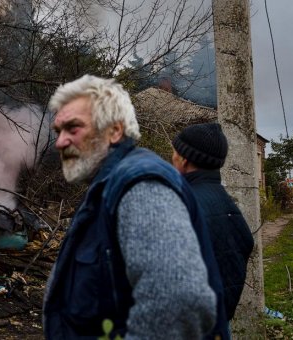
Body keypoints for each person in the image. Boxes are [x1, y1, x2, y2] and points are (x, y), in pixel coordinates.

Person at [43, 75, 228, 339]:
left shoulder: (140, 185)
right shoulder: (108, 187)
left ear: (115, 131)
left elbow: (179, 300)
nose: (60, 142)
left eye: (73, 129)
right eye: (57, 132)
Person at [172, 122, 254, 322]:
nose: (171, 158)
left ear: (183, 159)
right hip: (218, 322)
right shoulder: (227, 203)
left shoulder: (181, 204)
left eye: (174, 152)